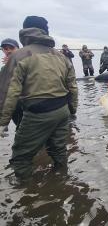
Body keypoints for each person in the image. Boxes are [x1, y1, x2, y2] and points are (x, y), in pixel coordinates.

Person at [0, 15, 78, 183]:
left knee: (21, 157)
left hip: (38, 113)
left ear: (25, 31)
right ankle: (61, 180)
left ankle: (27, 195)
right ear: (45, 32)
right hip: (62, 110)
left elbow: (8, 93)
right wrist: (72, 110)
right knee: (59, 150)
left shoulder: (19, 56)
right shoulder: (61, 56)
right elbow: (73, 87)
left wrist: (2, 122)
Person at [1, 38, 22, 128]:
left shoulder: (26, 62)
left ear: (18, 49)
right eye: (5, 48)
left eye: (11, 48)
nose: (8, 51)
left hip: (26, 106)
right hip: (12, 106)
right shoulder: (4, 68)